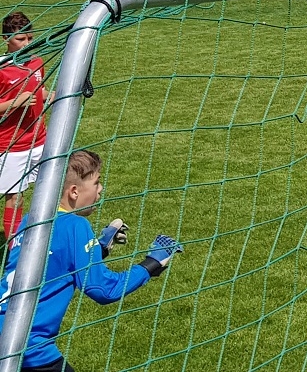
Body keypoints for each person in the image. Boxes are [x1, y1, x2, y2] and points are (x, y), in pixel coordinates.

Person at [0, 150, 183, 372]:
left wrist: (97, 249)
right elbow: (104, 289)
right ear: (74, 191)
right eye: (96, 182)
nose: (101, 189)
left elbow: (53, 265)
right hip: (29, 347)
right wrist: (151, 264)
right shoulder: (76, 225)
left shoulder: (31, 219)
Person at [0, 12, 48, 239]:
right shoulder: (2, 68)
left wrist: (52, 95)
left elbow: (39, 91)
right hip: (12, 146)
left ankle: (41, 240)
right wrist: (15, 103)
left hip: (41, 140)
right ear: (6, 39)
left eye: (30, 38)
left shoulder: (37, 62)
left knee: (47, 191)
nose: (27, 43)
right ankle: (14, 249)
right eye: (20, 39)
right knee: (15, 197)